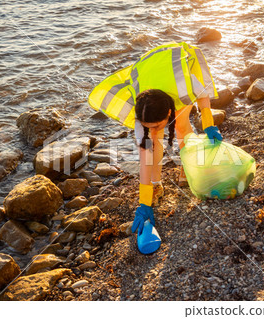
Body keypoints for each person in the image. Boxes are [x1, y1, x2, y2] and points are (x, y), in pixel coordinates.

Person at [88, 41, 224, 237]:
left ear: (169, 111)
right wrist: (144, 202)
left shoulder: (183, 86)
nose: (152, 130)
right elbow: (145, 158)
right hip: (147, 69)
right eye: (147, 126)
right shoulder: (141, 114)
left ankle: (187, 169)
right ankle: (156, 185)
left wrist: (209, 123)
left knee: (181, 125)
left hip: (175, 61)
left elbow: (203, 95)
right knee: (152, 140)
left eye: (158, 124)